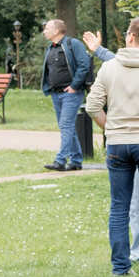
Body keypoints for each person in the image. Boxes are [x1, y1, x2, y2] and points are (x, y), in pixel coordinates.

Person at [83, 16, 139, 277]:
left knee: (119, 207)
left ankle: (121, 267)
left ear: (130, 37)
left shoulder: (109, 67)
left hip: (118, 143)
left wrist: (109, 128)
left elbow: (92, 106)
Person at [40, 19, 93, 171]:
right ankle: (76, 161)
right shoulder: (51, 47)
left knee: (66, 125)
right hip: (56, 93)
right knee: (68, 127)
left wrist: (74, 86)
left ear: (56, 31)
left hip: (71, 93)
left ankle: (60, 160)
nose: (44, 31)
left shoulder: (73, 44)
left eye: (47, 28)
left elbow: (84, 65)